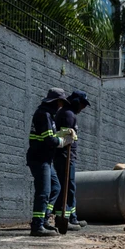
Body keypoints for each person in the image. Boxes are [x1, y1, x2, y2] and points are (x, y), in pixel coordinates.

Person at [26, 88, 75, 236]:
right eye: (60, 102)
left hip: (45, 159)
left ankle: (45, 219)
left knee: (55, 187)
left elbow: (49, 135)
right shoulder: (44, 115)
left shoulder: (48, 115)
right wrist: (63, 141)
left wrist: (62, 133)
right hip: (39, 158)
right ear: (55, 101)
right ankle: (37, 225)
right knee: (44, 192)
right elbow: (49, 140)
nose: (61, 106)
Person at [51, 90, 91, 231]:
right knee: (67, 187)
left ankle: (72, 217)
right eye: (82, 104)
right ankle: (63, 218)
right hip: (64, 157)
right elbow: (64, 137)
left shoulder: (69, 113)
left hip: (68, 157)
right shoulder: (67, 114)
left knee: (70, 187)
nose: (83, 108)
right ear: (76, 102)